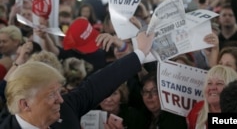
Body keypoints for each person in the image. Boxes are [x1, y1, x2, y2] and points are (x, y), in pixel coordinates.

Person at [0, 29, 154, 129]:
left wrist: (139, 54)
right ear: (25, 104)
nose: (61, 99)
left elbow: (98, 84)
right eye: (52, 94)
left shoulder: (65, 109)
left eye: (59, 92)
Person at [186, 65, 237, 129]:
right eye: (209, 83)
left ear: (232, 89)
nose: (212, 87)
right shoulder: (198, 108)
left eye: (219, 83)